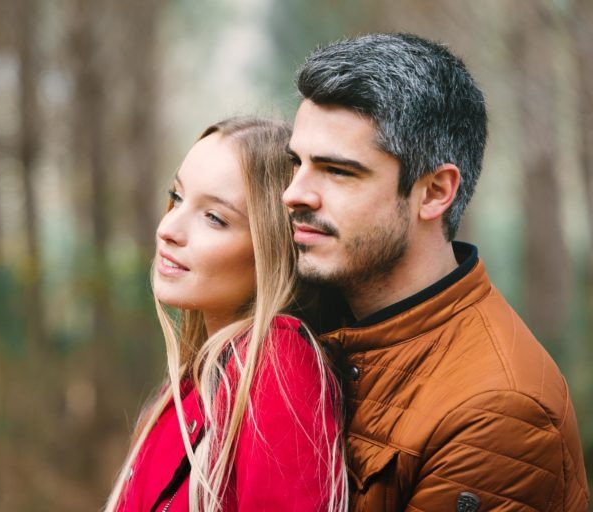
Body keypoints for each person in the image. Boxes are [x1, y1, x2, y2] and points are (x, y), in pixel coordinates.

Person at [283, 32, 590, 511]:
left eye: (338, 171)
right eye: (296, 163)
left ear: (434, 192)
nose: (294, 194)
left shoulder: (498, 411)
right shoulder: (313, 318)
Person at [105, 117, 348, 512]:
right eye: (177, 197)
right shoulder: (194, 382)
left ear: (272, 248)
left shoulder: (278, 363)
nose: (169, 229)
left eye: (214, 218)